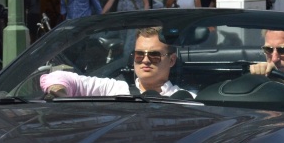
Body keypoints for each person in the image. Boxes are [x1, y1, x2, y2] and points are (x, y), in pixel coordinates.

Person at [38, 27, 193, 99]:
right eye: (139, 54)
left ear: (171, 60)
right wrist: (58, 91)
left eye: (154, 55)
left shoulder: (187, 99)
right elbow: (58, 77)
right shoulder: (115, 89)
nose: (145, 60)